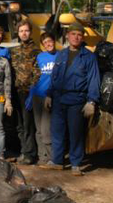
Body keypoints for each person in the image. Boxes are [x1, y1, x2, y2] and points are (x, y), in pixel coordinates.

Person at [41, 23, 100, 176]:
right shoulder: (61, 54)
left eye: (79, 35)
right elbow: (54, 76)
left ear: (83, 37)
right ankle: (57, 161)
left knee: (76, 133)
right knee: (57, 131)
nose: (76, 37)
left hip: (76, 99)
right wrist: (49, 94)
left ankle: (75, 163)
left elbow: (94, 79)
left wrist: (91, 101)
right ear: (67, 35)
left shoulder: (88, 57)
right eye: (73, 34)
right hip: (59, 98)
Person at [10, 20, 41, 165]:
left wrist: (33, 91)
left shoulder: (36, 51)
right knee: (19, 124)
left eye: (26, 30)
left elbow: (37, 72)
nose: (24, 33)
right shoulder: (14, 51)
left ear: (30, 32)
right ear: (18, 32)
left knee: (28, 124)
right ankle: (23, 150)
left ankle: (30, 153)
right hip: (16, 92)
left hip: (29, 92)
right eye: (21, 31)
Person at [30, 32, 57, 166]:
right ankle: (42, 157)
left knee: (47, 129)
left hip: (50, 97)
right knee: (39, 129)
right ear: (42, 45)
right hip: (37, 96)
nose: (48, 44)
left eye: (50, 41)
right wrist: (31, 96)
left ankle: (53, 157)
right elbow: (35, 77)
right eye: (45, 43)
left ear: (54, 41)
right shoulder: (40, 57)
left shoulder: (60, 56)